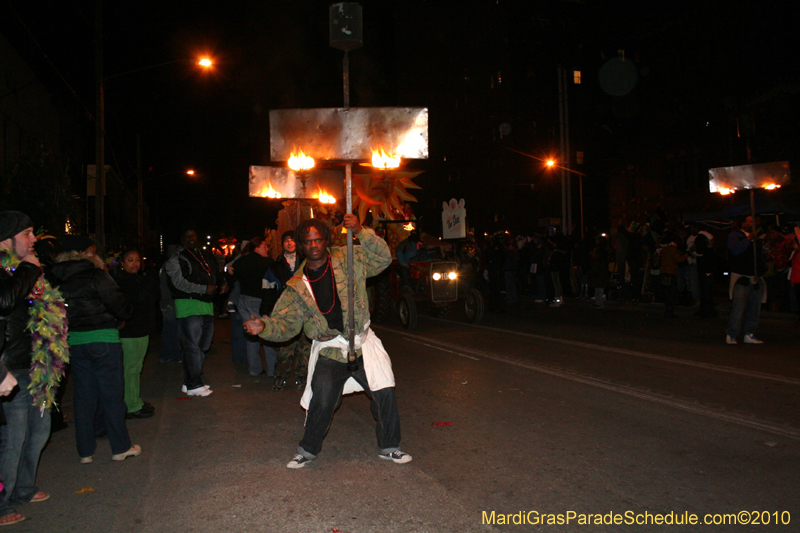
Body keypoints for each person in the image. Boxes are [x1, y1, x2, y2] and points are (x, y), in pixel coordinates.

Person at [244, 215, 412, 469]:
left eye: (318, 239)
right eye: (308, 241)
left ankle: (390, 446)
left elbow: (382, 259)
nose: (314, 245)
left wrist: (360, 231)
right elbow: (285, 323)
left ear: (326, 240)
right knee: (321, 403)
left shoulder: (350, 258)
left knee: (384, 393)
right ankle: (307, 450)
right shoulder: (297, 285)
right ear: (301, 245)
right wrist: (264, 327)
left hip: (363, 344)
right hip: (331, 350)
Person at [0, 211, 68, 526]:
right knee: (11, 439)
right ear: (7, 239)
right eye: (27, 233)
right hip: (9, 368)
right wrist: (28, 268)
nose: (34, 239)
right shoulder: (10, 271)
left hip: (38, 364)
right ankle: (2, 501)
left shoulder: (31, 270)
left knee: (39, 431)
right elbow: (5, 300)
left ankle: (23, 488)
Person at [49, 235, 141, 463]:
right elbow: (120, 305)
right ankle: (120, 447)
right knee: (112, 396)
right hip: (103, 339)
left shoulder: (55, 277)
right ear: (85, 253)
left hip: (75, 342)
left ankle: (85, 451)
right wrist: (120, 316)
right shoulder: (95, 274)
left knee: (84, 397)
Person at [165, 230, 225, 396]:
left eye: (193, 235)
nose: (190, 239)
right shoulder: (177, 257)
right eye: (186, 236)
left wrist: (221, 283)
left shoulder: (204, 255)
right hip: (188, 305)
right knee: (192, 347)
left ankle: (189, 381)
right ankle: (193, 383)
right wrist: (204, 289)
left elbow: (215, 273)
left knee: (202, 346)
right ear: (181, 239)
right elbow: (179, 283)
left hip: (206, 304)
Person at [261, 231, 310, 391]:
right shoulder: (275, 266)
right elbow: (267, 291)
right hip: (284, 315)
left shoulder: (307, 262)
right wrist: (265, 312)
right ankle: (280, 378)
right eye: (286, 241)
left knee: (305, 351)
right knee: (284, 351)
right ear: (282, 245)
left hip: (305, 313)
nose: (289, 243)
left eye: (292, 240)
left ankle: (301, 378)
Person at [113, 250, 158, 419]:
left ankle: (133, 400)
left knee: (136, 367)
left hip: (141, 329)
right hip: (130, 331)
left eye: (137, 260)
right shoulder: (122, 282)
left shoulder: (140, 279)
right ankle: (130, 405)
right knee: (130, 369)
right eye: (130, 260)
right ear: (122, 263)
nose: (134, 264)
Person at [232, 237, 275, 376]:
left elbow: (230, 272)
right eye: (264, 246)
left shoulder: (241, 261)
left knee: (251, 334)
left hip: (243, 299)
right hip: (258, 300)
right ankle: (272, 370)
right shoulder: (267, 263)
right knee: (267, 332)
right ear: (257, 248)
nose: (267, 249)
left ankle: (254, 369)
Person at [726, 215, 765, 345]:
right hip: (741, 277)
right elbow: (736, 250)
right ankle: (732, 334)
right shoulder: (735, 236)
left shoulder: (757, 239)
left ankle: (750, 333)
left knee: (754, 308)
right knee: (738, 308)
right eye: (749, 221)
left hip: (755, 277)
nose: (753, 223)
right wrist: (748, 239)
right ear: (743, 223)